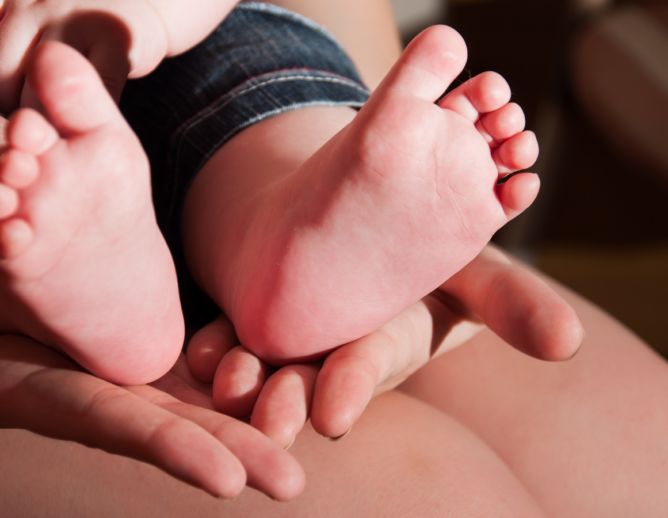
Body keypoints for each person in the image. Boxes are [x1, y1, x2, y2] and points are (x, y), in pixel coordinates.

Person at [1, 0, 667, 514]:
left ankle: (275, 239)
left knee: (645, 469)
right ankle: (119, 279)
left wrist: (143, 13)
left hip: (161, 62)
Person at [0, 0, 539, 386]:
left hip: (177, 47)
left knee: (256, 102)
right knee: (248, 96)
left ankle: (277, 243)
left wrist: (152, 14)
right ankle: (108, 292)